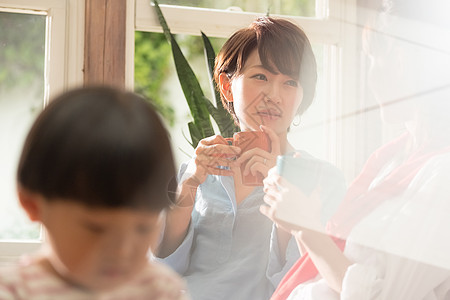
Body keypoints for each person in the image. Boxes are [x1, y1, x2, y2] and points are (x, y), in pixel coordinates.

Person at [263, 0, 450, 299]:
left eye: (374, 59)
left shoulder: (442, 176)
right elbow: (330, 270)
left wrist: (307, 227)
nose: (370, 77)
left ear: (403, 62)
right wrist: (303, 217)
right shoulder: (390, 161)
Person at [155, 16, 346, 300]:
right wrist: (190, 185)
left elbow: (306, 284)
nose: (274, 95)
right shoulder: (199, 169)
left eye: (290, 82)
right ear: (227, 85)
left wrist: (281, 185)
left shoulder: (322, 178)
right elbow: (164, 269)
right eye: (261, 77)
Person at [0, 86, 190, 299]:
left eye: (143, 228)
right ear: (32, 205)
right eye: (96, 229)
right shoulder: (13, 292)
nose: (122, 251)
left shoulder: (160, 290)